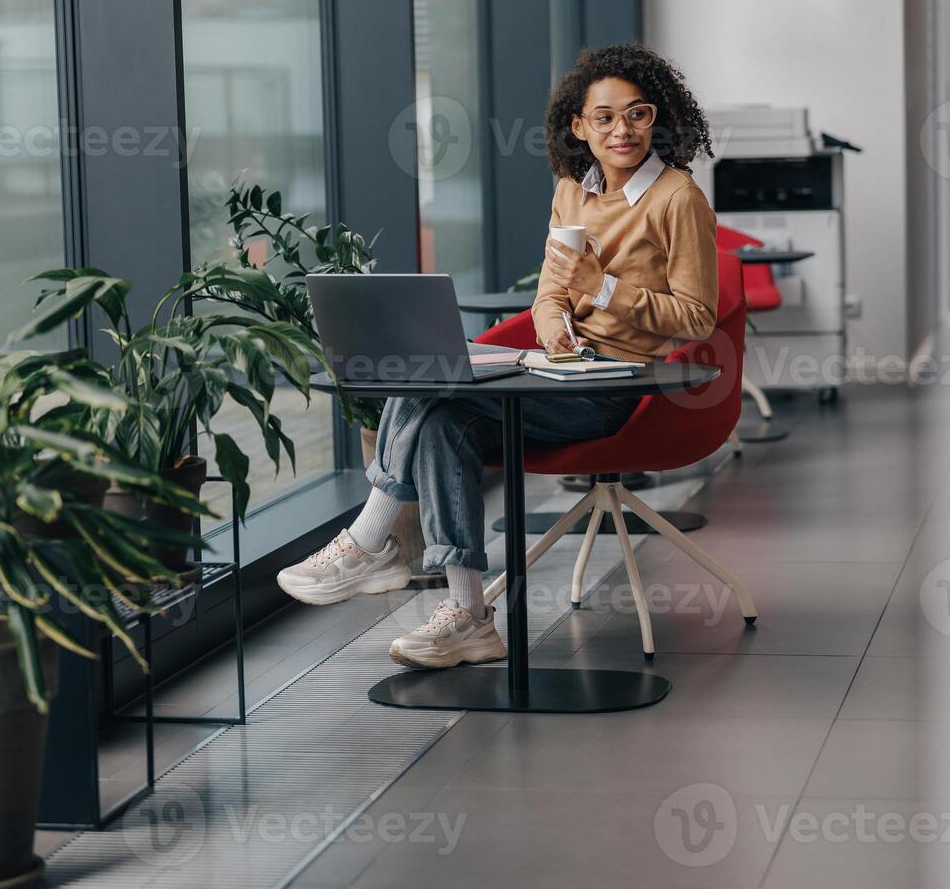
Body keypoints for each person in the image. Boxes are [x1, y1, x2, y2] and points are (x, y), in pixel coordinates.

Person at [277, 43, 720, 669]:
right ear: (578, 125)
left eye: (638, 114)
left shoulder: (678, 198)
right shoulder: (573, 190)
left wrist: (603, 290)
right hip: (560, 369)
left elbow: (697, 318)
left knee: (434, 407)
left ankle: (370, 543)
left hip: (619, 389)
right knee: (432, 390)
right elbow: (547, 292)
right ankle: (467, 617)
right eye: (604, 117)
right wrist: (555, 327)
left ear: (658, 118)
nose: (622, 130)